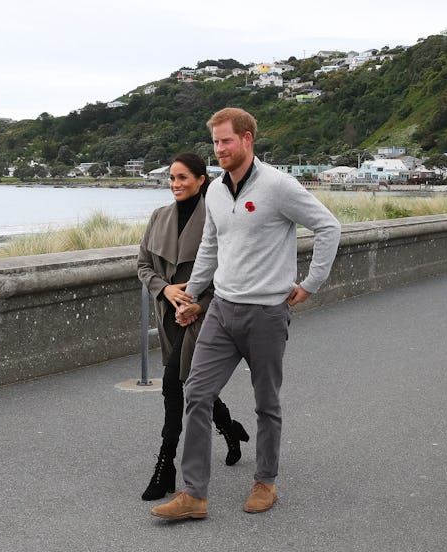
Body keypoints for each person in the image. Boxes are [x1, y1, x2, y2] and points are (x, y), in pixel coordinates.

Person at [151, 108, 341, 520]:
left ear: (247, 139)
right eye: (215, 142)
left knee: (265, 403)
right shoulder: (216, 192)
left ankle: (265, 481)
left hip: (267, 314)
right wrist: (194, 296)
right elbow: (210, 249)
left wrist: (311, 284)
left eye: (226, 141)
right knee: (197, 395)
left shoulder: (278, 186)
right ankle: (194, 495)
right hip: (221, 310)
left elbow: (329, 227)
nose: (219, 149)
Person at [137, 152, 250, 502]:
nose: (175, 184)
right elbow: (143, 264)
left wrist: (200, 300)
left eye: (183, 177)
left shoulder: (216, 218)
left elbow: (232, 268)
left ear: (202, 180)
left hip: (204, 315)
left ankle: (165, 465)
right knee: (193, 382)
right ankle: (230, 428)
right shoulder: (159, 217)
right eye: (172, 178)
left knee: (174, 384)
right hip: (169, 314)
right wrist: (164, 287)